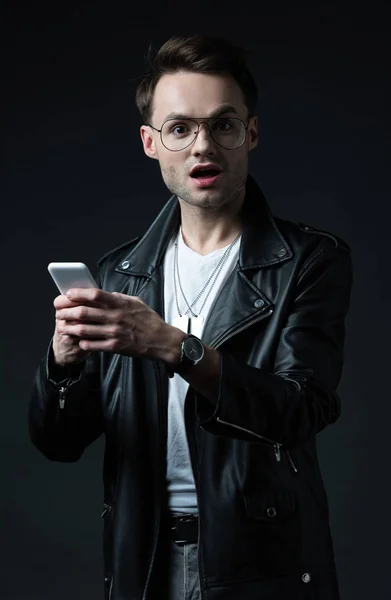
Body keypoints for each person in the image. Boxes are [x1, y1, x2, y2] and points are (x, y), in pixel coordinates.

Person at [29, 34, 353, 600]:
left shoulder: (309, 260)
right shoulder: (118, 272)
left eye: (223, 125)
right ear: (151, 143)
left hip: (260, 561)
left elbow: (301, 408)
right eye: (180, 128)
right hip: (143, 557)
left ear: (250, 133)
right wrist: (64, 363)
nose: (203, 146)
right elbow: (60, 442)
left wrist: (177, 347)